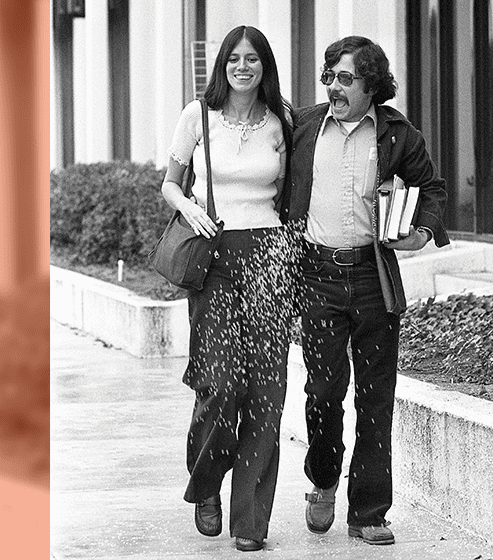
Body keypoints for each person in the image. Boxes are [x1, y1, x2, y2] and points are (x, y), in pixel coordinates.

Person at [284, 35, 449, 546]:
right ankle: (324, 480)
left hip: (372, 278)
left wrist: (420, 233)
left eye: (345, 78)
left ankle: (370, 512)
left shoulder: (397, 133)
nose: (333, 86)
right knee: (324, 392)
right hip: (317, 275)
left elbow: (432, 189)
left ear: (371, 85)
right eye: (329, 76)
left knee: (376, 396)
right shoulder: (306, 126)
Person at [161, 25, 300, 552]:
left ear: (265, 66)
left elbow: (292, 190)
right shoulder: (197, 116)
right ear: (222, 64)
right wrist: (191, 207)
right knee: (219, 384)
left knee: (267, 392)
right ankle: (206, 485)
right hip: (214, 255)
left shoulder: (281, 121)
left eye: (253, 59)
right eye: (234, 58)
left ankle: (251, 521)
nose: (243, 67)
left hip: (270, 258)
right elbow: (170, 182)